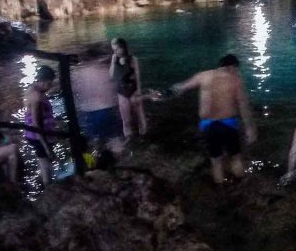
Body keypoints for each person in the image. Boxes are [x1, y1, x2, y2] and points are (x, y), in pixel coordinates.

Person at [163, 54, 257, 184]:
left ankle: (221, 189)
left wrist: (167, 92)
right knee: (235, 157)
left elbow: (181, 87)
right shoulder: (235, 79)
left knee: (216, 161)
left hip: (208, 125)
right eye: (236, 69)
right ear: (232, 67)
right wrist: (250, 128)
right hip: (228, 123)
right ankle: (241, 185)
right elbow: (243, 105)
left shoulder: (203, 76)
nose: (237, 72)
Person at [74, 49, 124, 154]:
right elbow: (115, 92)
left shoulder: (77, 73)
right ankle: (117, 165)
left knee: (94, 143)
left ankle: (92, 165)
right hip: (105, 110)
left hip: (87, 113)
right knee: (114, 140)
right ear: (96, 58)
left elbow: (76, 94)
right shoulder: (105, 71)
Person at [24, 65, 58, 187]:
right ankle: (48, 189)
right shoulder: (36, 97)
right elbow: (37, 125)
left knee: (44, 162)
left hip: (38, 134)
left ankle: (45, 182)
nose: (51, 86)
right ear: (42, 81)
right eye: (49, 83)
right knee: (46, 165)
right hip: (38, 137)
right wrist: (48, 149)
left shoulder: (34, 88)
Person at [109, 38, 147, 139]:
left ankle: (144, 135)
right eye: (113, 50)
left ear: (123, 48)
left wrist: (139, 90)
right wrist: (113, 62)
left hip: (133, 90)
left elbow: (138, 75)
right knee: (125, 119)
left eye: (117, 49)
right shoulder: (114, 58)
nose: (116, 52)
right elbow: (111, 76)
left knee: (139, 114)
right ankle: (129, 138)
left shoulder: (133, 59)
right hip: (121, 92)